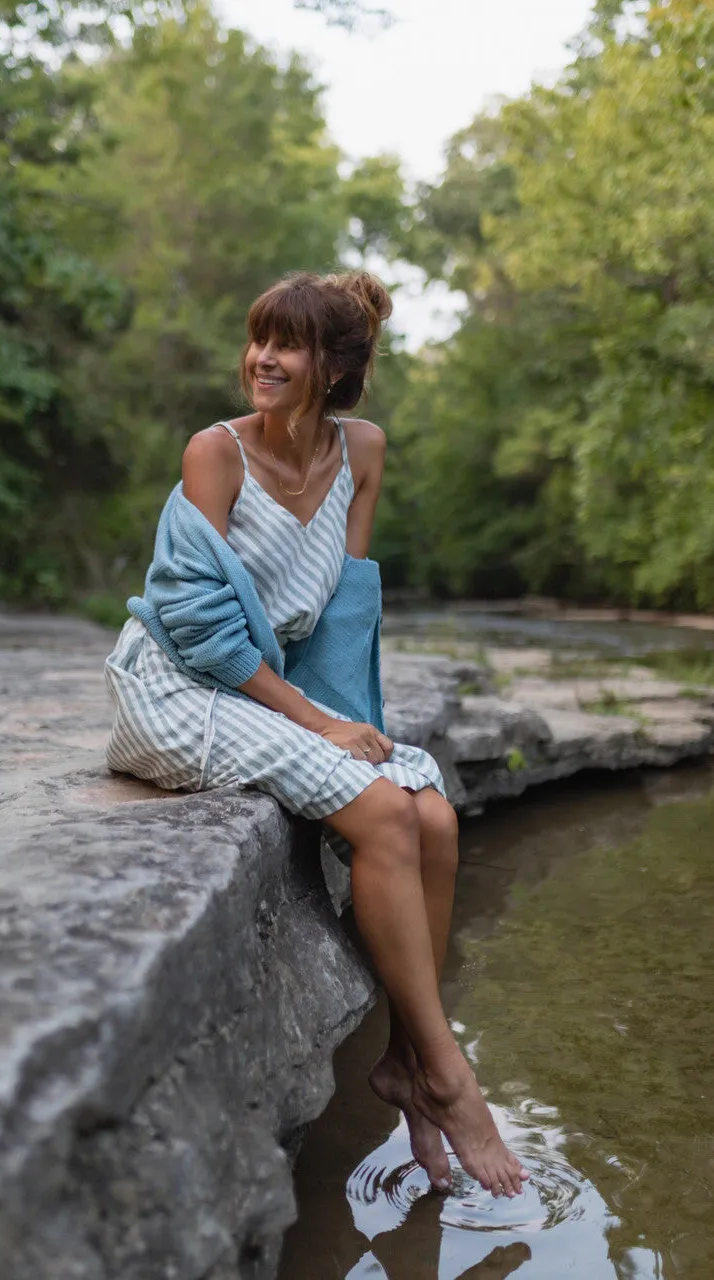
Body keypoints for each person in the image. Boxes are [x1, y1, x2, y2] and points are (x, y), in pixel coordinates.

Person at [104, 270, 529, 1199]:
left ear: (335, 367)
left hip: (277, 689)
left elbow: (342, 619)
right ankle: (446, 1078)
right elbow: (200, 629)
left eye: (287, 344)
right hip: (181, 686)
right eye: (259, 337)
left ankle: (404, 1064)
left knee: (434, 817)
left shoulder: (363, 451)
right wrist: (317, 727)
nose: (262, 357)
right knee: (382, 818)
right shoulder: (214, 454)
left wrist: (358, 732)